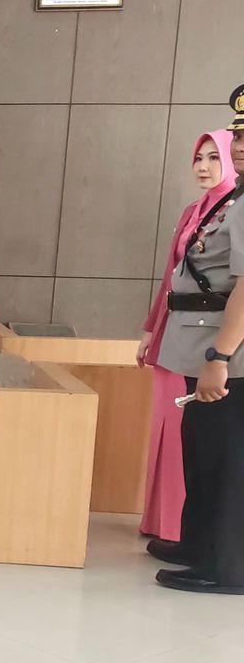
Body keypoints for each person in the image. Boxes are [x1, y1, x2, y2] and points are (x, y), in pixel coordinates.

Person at [155, 87, 244, 595]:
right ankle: (201, 545)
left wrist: (221, 356)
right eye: (238, 136)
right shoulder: (234, 200)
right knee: (203, 450)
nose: (239, 146)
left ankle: (227, 565)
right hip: (205, 344)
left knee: (227, 459)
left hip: (228, 353)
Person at [137, 129, 237, 552]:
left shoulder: (236, 207)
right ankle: (171, 527)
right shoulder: (195, 210)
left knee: (210, 445)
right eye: (198, 157)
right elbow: (172, 276)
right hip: (178, 334)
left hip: (212, 340)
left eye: (214, 157)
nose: (203, 166)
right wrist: (151, 330)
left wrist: (222, 354)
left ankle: (193, 538)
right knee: (182, 436)